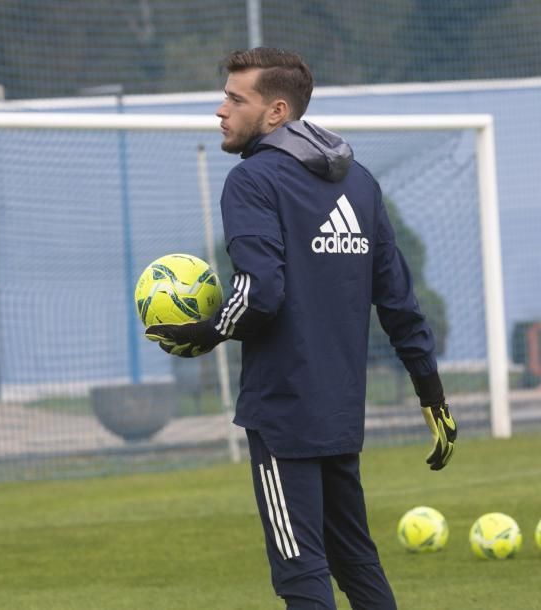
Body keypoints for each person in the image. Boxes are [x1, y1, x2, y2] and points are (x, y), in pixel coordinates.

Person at [145, 48, 457, 609]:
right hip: (340, 409)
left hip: (285, 410)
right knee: (356, 562)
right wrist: (430, 391)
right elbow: (399, 302)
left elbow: (260, 293)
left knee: (299, 571)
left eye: (236, 99)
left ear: (276, 111)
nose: (220, 110)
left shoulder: (253, 181)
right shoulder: (359, 183)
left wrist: (203, 332)